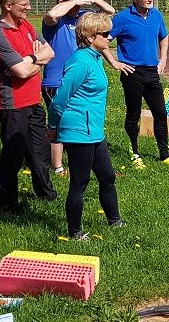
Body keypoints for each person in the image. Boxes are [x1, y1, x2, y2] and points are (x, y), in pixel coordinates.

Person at [49, 12, 123, 240]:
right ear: (91, 37)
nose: (109, 37)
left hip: (94, 131)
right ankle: (75, 233)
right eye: (105, 33)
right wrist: (53, 128)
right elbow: (59, 99)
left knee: (107, 177)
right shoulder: (81, 62)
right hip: (79, 131)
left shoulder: (95, 58)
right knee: (79, 184)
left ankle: (115, 221)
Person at [0, 0, 57, 212]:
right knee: (13, 154)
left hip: (33, 100)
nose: (29, 7)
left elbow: (50, 52)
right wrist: (36, 58)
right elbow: (20, 72)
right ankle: (8, 203)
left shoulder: (26, 25)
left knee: (40, 151)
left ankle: (46, 194)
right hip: (13, 104)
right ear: (8, 6)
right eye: (23, 4)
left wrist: (30, 60)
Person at [41, 0, 117, 175]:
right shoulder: (56, 22)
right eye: (74, 1)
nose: (78, 5)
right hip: (56, 81)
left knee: (78, 120)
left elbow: (110, 12)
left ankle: (85, 161)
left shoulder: (82, 18)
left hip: (82, 76)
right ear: (62, 2)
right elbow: (51, 14)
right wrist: (73, 2)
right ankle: (58, 167)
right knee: (59, 121)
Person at [102, 0, 169, 163]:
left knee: (160, 113)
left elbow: (164, 37)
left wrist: (163, 58)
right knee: (133, 114)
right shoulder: (122, 18)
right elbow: (102, 42)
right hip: (132, 72)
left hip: (152, 72)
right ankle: (135, 152)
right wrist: (115, 63)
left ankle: (165, 154)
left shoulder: (156, 15)